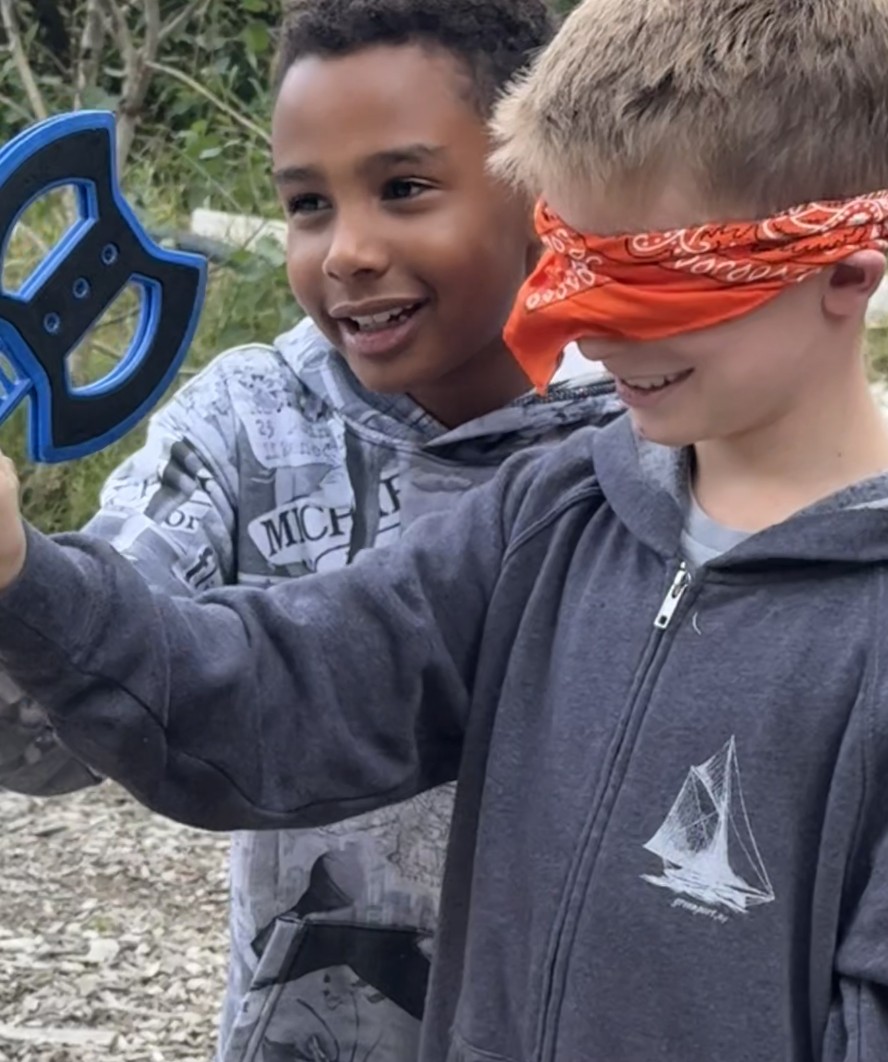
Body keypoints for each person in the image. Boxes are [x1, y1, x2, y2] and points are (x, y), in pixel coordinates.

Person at [5, 0, 888, 1057]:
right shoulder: (555, 515)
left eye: (647, 279)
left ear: (845, 268)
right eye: (573, 260)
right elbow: (278, 693)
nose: (588, 326)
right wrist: (20, 571)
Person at [0, 2, 619, 1060]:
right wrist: (16, 580)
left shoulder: (646, 441)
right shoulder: (244, 425)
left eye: (404, 188)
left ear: (545, 187)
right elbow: (64, 728)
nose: (349, 252)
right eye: (307, 205)